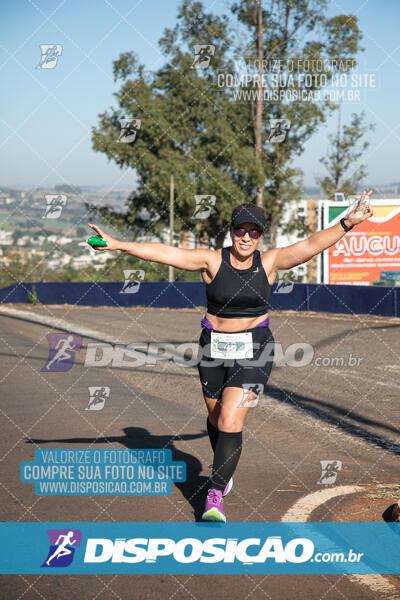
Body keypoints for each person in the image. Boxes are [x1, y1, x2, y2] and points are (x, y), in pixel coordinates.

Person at [87, 190, 373, 522]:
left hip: (255, 350)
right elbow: (166, 253)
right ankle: (225, 466)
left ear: (261, 235)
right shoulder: (211, 261)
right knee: (215, 418)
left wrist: (348, 223)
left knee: (230, 420)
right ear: (231, 231)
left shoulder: (270, 262)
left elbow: (309, 245)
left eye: (254, 231)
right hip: (212, 349)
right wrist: (121, 245)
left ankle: (214, 493)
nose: (247, 237)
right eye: (241, 230)